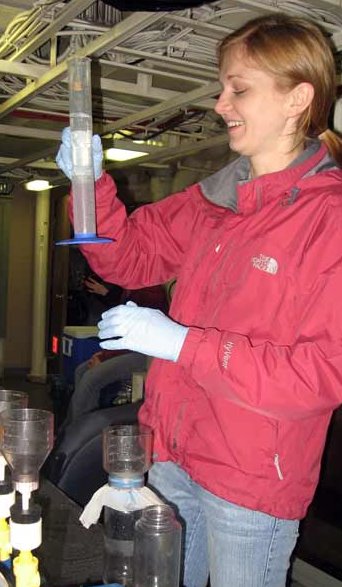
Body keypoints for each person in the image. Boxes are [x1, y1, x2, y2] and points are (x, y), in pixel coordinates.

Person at [56, 13, 342, 587]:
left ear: (297, 99)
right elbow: (129, 254)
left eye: (239, 88)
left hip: (252, 479)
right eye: (222, 87)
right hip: (173, 455)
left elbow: (322, 374)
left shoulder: (328, 218)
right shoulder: (216, 198)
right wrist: (90, 185)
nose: (219, 104)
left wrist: (184, 345)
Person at [65, 284, 168, 423]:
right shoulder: (130, 290)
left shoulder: (149, 294)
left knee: (91, 379)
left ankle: (80, 432)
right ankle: (73, 427)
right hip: (130, 348)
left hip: (147, 354)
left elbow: (137, 337)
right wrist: (104, 354)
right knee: (81, 370)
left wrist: (104, 356)